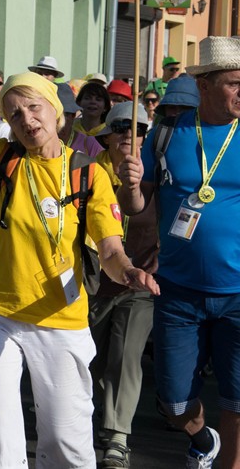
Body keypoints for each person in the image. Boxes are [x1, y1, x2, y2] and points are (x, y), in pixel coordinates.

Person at [0, 72, 158, 467]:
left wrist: (128, 270)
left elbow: (111, 249)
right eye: (14, 115)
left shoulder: (89, 173)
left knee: (67, 440)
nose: (26, 120)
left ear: (56, 111)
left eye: (34, 107)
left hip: (60, 318)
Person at [118, 36, 240, 468]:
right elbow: (136, 208)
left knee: (237, 401)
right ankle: (204, 441)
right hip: (178, 292)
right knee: (172, 402)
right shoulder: (168, 133)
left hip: (238, 293)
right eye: (234, 83)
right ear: (204, 85)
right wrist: (129, 183)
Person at [89, 102, 159, 469]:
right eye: (119, 128)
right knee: (96, 363)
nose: (129, 136)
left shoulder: (159, 171)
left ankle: (117, 437)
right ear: (106, 136)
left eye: (137, 130)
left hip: (140, 282)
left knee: (126, 356)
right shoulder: (88, 172)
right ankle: (109, 415)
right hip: (95, 285)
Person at [56, 83, 104, 157]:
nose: (60, 121)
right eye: (56, 115)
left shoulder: (90, 145)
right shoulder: (36, 142)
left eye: (65, 115)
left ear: (73, 115)